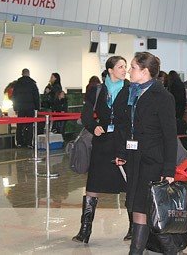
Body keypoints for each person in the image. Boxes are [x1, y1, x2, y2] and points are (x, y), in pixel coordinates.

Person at [115, 52, 177, 255]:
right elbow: (127, 127)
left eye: (132, 67)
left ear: (145, 71)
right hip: (135, 158)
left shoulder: (163, 97)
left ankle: (159, 250)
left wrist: (169, 169)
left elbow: (170, 135)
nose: (129, 71)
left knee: (145, 208)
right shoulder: (132, 92)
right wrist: (123, 151)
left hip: (153, 160)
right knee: (137, 207)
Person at [72, 56, 131, 244]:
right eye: (121, 67)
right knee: (93, 186)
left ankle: (134, 228)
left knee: (130, 185)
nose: (125, 70)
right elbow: (86, 114)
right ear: (110, 70)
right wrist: (93, 126)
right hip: (102, 142)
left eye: (126, 66)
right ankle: (84, 230)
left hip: (123, 142)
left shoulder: (131, 89)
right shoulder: (96, 90)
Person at [11, 68, 40, 148]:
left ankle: (19, 142)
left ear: (22, 74)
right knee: (30, 125)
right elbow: (36, 96)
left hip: (20, 108)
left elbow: (14, 96)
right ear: (29, 74)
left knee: (19, 125)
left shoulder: (17, 84)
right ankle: (29, 143)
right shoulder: (32, 83)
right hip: (30, 107)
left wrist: (15, 107)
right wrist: (37, 108)